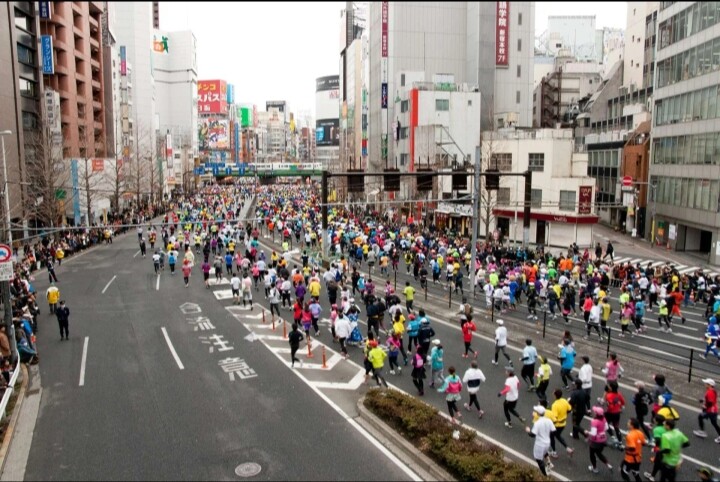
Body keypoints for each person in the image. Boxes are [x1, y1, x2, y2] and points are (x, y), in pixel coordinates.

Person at [525, 404, 556, 476]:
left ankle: (545, 474)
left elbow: (533, 434)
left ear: (538, 413)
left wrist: (528, 431)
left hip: (540, 444)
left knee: (538, 459)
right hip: (547, 442)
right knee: (545, 452)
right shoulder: (549, 420)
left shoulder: (537, 423)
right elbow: (554, 431)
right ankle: (549, 463)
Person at [584, 406, 613, 474]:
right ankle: (607, 464)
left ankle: (594, 468)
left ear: (596, 414)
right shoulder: (604, 419)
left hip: (596, 441)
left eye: (595, 412)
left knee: (592, 454)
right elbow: (606, 428)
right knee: (599, 453)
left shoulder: (594, 422)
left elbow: (593, 433)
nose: (593, 412)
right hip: (603, 439)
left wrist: (587, 432)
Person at [693, 378, 720, 443]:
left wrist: (705, 406)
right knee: (714, 423)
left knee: (700, 416)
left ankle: (702, 432)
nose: (705, 384)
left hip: (711, 411)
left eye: (706, 383)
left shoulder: (710, 392)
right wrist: (703, 400)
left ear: (710, 385)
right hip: (713, 410)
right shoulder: (712, 391)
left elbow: (710, 402)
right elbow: (711, 400)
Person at [549, 388, 574, 458]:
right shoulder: (564, 400)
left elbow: (554, 418)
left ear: (555, 395)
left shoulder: (555, 405)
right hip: (563, 424)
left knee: (551, 437)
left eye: (553, 393)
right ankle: (568, 449)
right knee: (558, 436)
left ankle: (554, 452)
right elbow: (569, 409)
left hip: (556, 425)